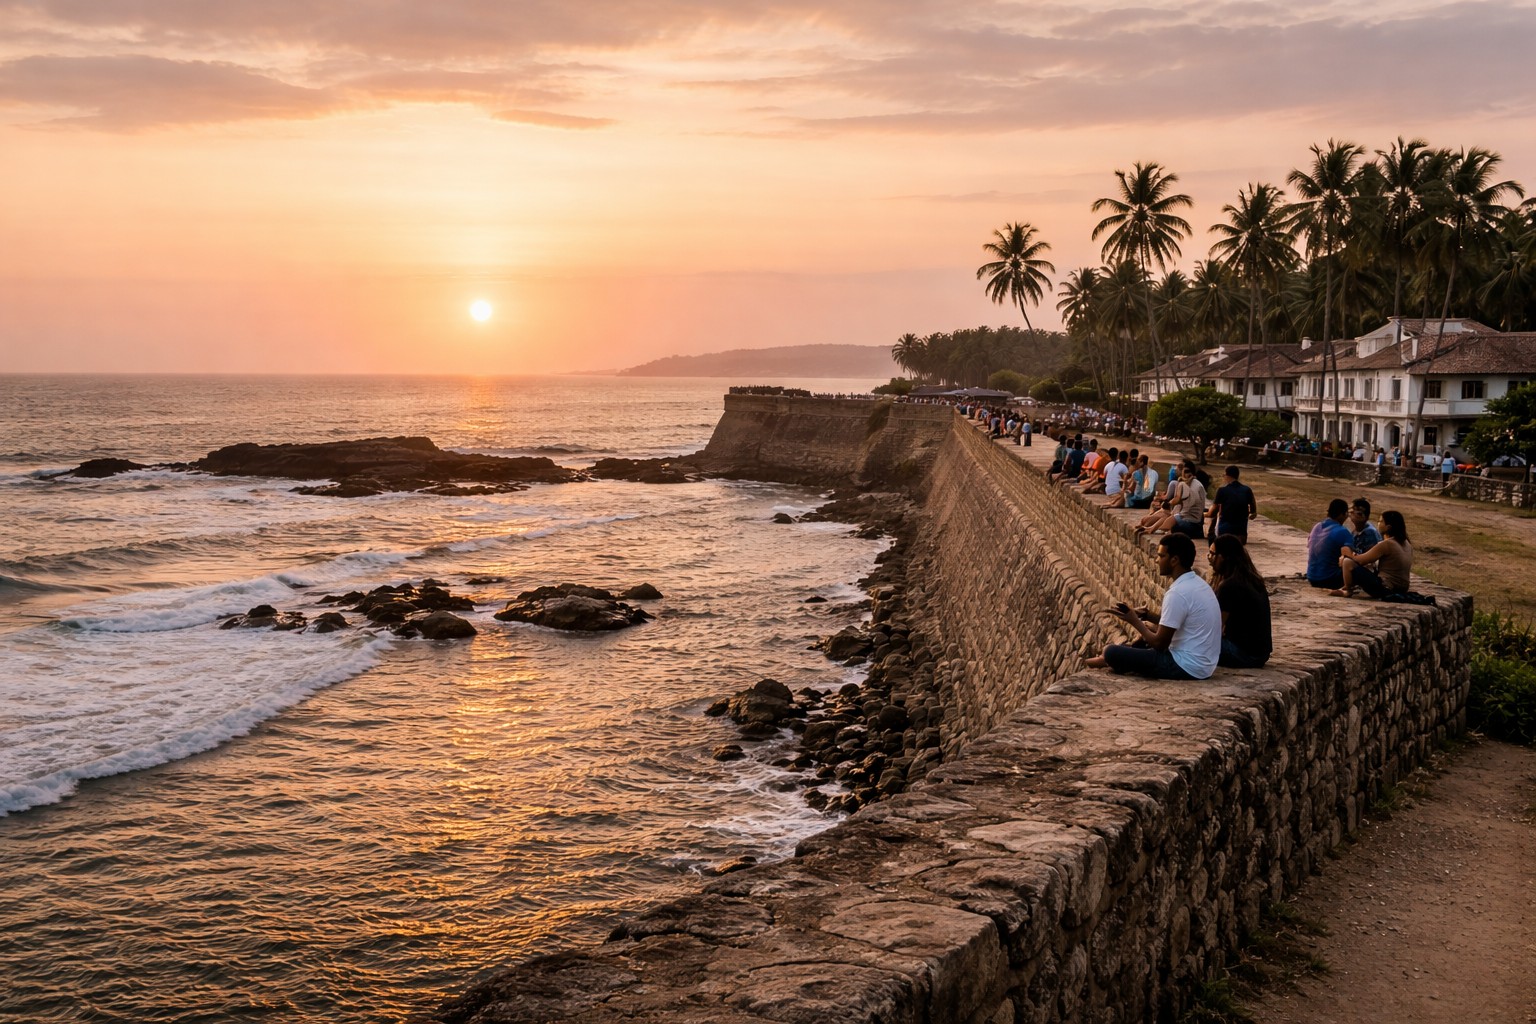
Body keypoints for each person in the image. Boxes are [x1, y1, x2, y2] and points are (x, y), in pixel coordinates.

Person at [1085, 533, 1221, 679]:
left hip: (1186, 666)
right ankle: (1105, 658)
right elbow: (1175, 624)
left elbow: (1159, 644)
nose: (1157, 561)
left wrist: (1134, 621)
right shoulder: (1197, 584)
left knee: (1112, 651)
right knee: (1131, 647)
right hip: (1204, 664)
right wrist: (1147, 615)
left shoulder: (1177, 593)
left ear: (1174, 560)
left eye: (1161, 556)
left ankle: (1105, 658)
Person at [1207, 534, 1272, 668]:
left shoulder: (1229, 586)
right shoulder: (1253, 580)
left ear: (1223, 557)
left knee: (1189, 641)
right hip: (1260, 653)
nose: (1209, 559)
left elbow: (1215, 627)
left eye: (1213, 554)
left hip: (1244, 654)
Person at [1334, 510, 1414, 598]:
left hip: (1385, 588)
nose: (1378, 524)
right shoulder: (1407, 544)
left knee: (1347, 562)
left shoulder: (1387, 544)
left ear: (1388, 527)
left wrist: (1347, 557)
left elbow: (1361, 561)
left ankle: (1348, 590)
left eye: (1381, 521)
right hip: (1402, 589)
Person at [1306, 499, 1353, 590]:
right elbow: (1349, 557)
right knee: (1355, 567)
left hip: (1312, 577)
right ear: (1342, 514)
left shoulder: (1317, 526)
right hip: (1329, 579)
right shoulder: (1342, 531)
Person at [1207, 466, 1258, 543]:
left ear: (1227, 476)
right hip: (1241, 534)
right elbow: (1253, 511)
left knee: (1215, 516)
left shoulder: (1222, 490)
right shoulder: (1247, 490)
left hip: (1224, 533)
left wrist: (1203, 514)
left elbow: (1212, 513)